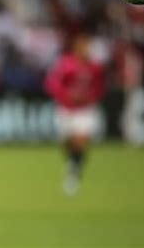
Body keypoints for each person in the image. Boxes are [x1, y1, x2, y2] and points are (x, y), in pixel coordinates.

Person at [45, 34, 105, 195]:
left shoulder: (95, 67)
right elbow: (53, 84)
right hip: (66, 109)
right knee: (67, 141)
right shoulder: (67, 64)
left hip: (85, 110)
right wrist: (66, 96)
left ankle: (74, 172)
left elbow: (100, 87)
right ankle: (72, 162)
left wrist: (89, 97)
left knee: (81, 140)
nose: (86, 50)